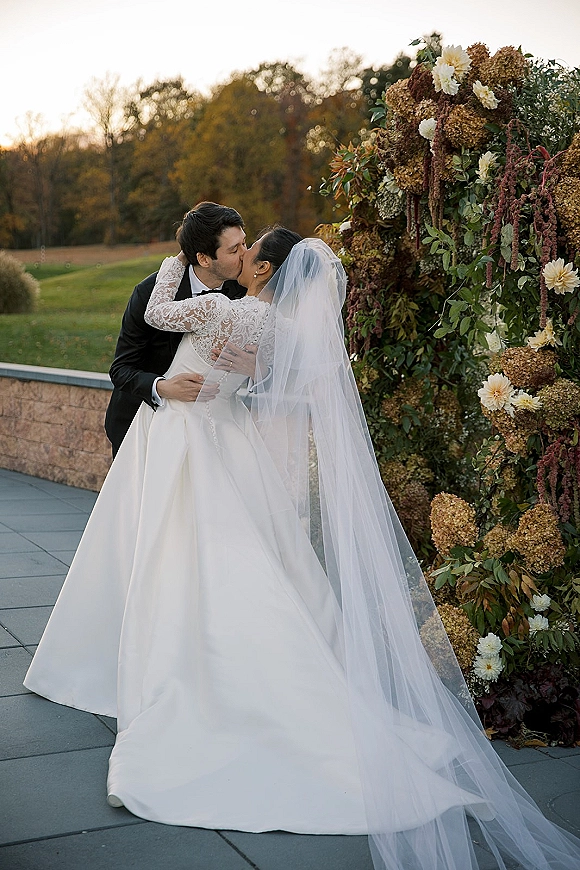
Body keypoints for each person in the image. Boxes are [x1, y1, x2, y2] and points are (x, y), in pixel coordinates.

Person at [24, 236, 580, 870]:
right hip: (224, 444)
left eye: (248, 249)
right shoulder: (284, 329)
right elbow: (237, 373)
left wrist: (174, 260)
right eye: (232, 245)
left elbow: (161, 315)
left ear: (261, 269)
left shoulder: (229, 309)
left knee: (199, 564)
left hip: (201, 445)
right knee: (255, 565)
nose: (240, 255)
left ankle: (198, 667)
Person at [104, 201, 250, 456]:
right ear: (204, 258)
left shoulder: (244, 291)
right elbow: (120, 369)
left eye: (245, 243)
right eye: (234, 249)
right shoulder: (149, 293)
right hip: (141, 428)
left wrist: (254, 366)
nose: (245, 254)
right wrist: (162, 387)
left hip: (210, 432)